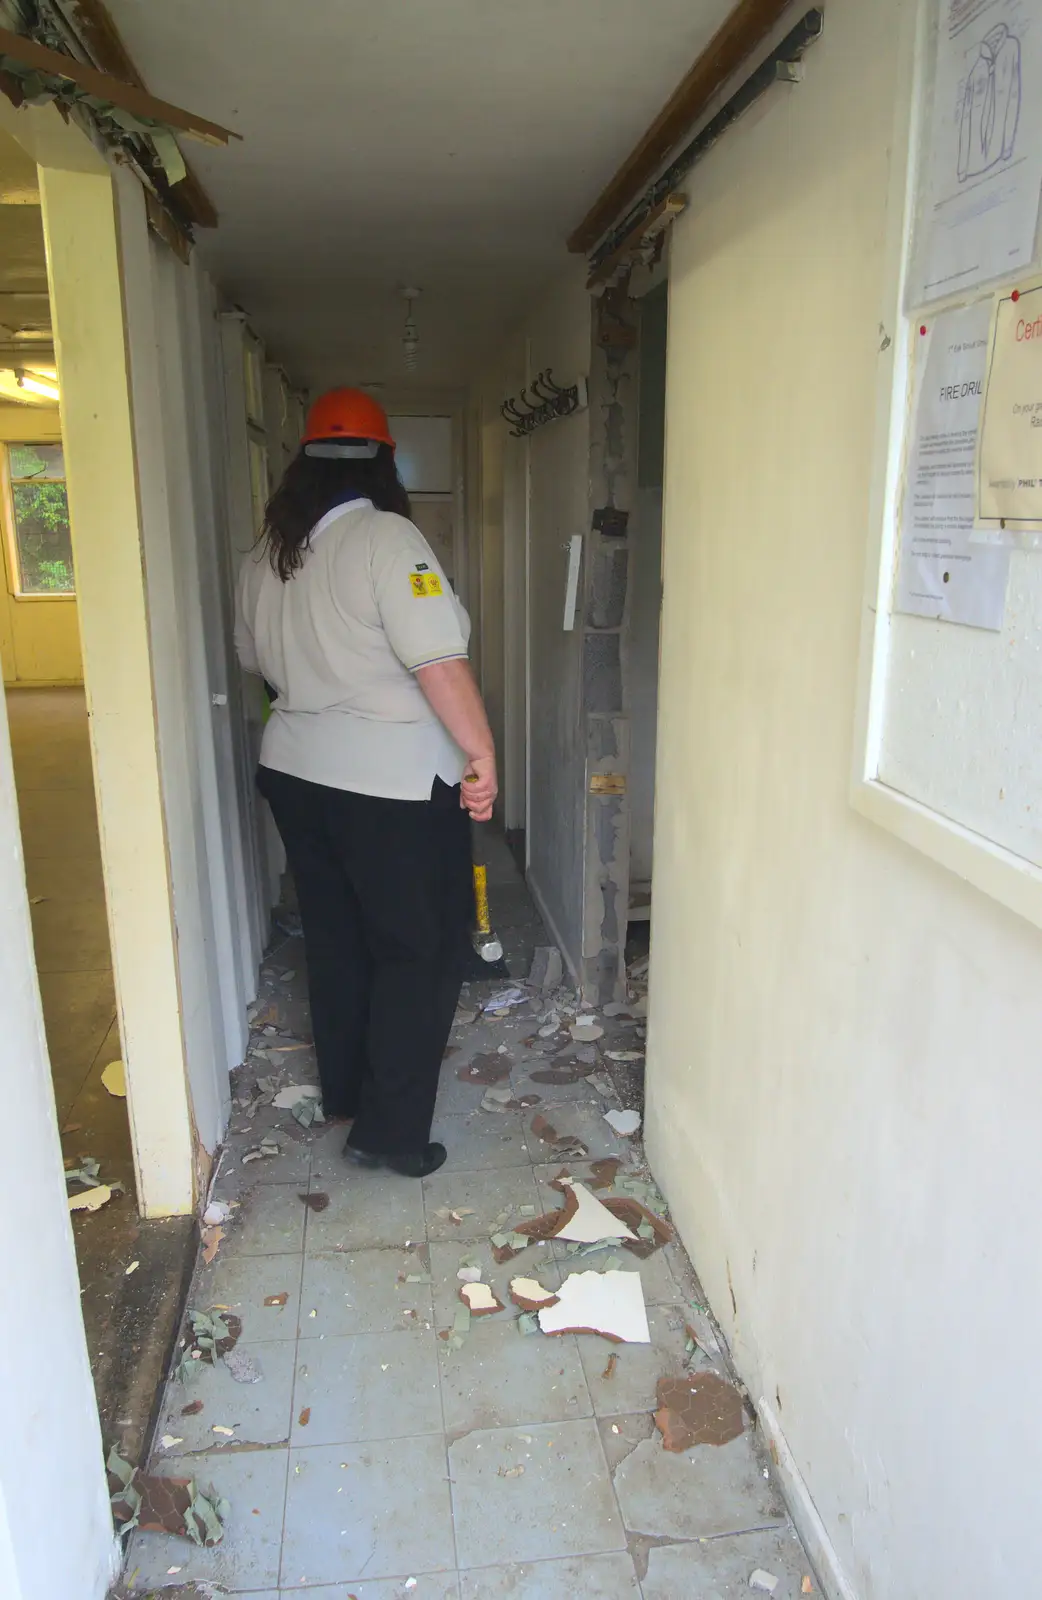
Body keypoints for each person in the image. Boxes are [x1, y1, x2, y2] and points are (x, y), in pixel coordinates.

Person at [234, 388, 497, 1177]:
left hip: (296, 774)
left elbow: (253, 663)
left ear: (301, 463)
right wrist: (482, 758)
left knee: (341, 939)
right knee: (419, 950)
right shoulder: (389, 539)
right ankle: (390, 1134)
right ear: (383, 461)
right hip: (392, 787)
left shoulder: (266, 553)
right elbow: (439, 663)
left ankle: (347, 1091)